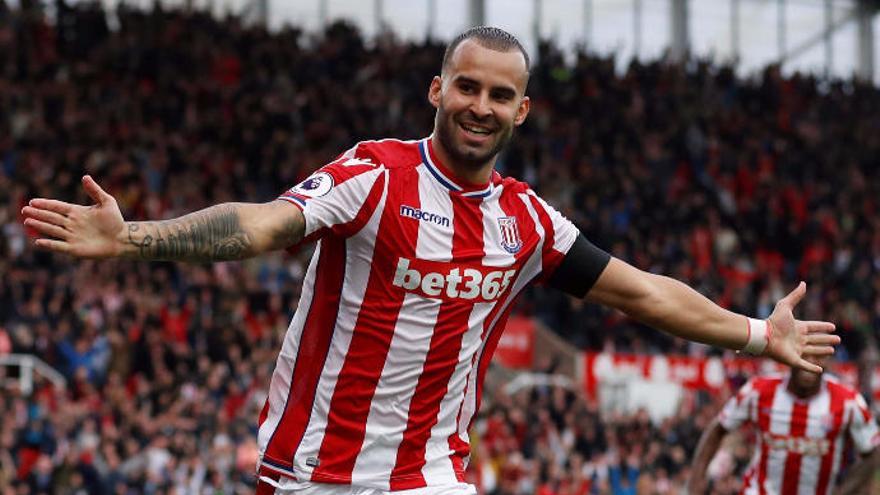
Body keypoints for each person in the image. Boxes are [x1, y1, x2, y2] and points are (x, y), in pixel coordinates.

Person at [21, 26, 839, 495]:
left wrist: (753, 335)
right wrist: (135, 237)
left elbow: (641, 294)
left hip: (430, 479)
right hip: (314, 473)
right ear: (436, 90)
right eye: (466, 87)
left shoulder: (526, 221)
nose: (479, 106)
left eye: (497, 94)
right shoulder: (375, 173)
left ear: (523, 108)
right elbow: (265, 225)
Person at [688, 356, 880, 495]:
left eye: (818, 356)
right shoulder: (758, 390)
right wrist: (696, 482)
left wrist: (845, 490)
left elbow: (872, 453)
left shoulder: (848, 401)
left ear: (828, 360)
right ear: (791, 354)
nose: (811, 361)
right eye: (805, 354)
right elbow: (719, 427)